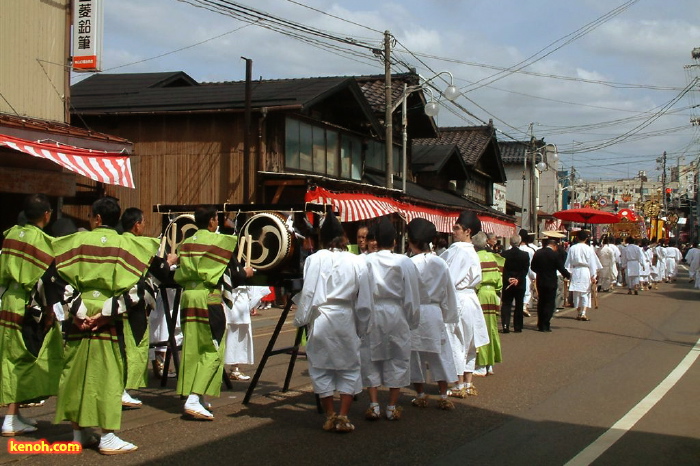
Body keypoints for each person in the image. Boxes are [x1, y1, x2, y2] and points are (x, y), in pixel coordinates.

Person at [53, 197, 159, 454]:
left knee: (75, 373)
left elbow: (58, 279)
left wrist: (78, 312)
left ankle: (79, 433)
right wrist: (107, 313)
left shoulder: (76, 241)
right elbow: (138, 288)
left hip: (81, 311)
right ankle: (107, 436)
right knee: (109, 374)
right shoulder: (130, 245)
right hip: (109, 313)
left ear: (97, 218)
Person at [293, 212, 372, 432]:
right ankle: (344, 415)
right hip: (346, 316)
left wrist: (301, 319)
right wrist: (363, 326)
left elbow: (308, 293)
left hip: (321, 316)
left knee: (321, 367)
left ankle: (330, 414)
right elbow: (364, 299)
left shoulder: (314, 259)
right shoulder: (356, 261)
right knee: (349, 366)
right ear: (343, 237)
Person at [174, 205, 254, 421]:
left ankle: (199, 397)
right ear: (211, 221)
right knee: (213, 348)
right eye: (216, 219)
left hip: (188, 296)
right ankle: (194, 397)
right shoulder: (221, 242)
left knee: (192, 348)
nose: (217, 222)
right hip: (208, 297)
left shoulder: (186, 243)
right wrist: (245, 273)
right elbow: (233, 276)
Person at [0, 194, 63, 437]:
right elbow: (48, 281)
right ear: (47, 214)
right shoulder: (45, 242)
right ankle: (10, 418)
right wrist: (50, 312)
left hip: (8, 300)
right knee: (23, 358)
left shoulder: (10, 234)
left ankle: (14, 415)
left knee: (8, 356)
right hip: (29, 304)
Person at [361, 216, 420, 421]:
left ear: (375, 240)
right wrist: (412, 320)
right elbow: (412, 295)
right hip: (397, 312)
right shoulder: (404, 261)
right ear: (395, 242)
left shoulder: (366, 260)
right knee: (398, 356)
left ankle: (374, 404)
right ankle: (392, 406)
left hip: (373, 311)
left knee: (371, 355)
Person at [119, 208, 177, 408]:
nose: (144, 226)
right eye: (143, 222)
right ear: (136, 225)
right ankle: (123, 389)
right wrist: (168, 262)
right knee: (133, 345)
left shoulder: (116, 242)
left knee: (116, 346)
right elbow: (159, 270)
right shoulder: (143, 245)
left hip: (112, 303)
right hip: (133, 302)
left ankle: (116, 388)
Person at [405, 218, 458, 411]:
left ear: (412, 242)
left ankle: (420, 393)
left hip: (416, 312)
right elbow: (448, 291)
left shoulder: (409, 264)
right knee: (440, 353)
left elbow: (406, 292)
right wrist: (449, 314)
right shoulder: (440, 263)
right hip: (434, 311)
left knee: (415, 354)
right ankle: (443, 394)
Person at [440, 211, 488, 397]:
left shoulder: (458, 249)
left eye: (457, 228)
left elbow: (448, 278)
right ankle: (468, 382)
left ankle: (458, 382)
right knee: (469, 341)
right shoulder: (471, 251)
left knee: (456, 340)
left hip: (457, 298)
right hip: (470, 299)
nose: (454, 231)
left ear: (468, 231)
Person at [472, 232, 503, 377]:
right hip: (493, 295)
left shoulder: (475, 257)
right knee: (492, 329)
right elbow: (499, 280)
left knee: (480, 329)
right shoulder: (493, 257)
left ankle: (482, 364)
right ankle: (490, 363)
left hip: (481, 294)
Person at [531, 236, 571, 332]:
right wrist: (568, 276)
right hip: (551, 281)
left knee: (541, 302)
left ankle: (540, 323)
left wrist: (539, 272)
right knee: (549, 303)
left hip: (540, 280)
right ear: (553, 245)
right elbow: (561, 268)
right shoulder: (554, 255)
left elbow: (532, 267)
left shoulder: (538, 253)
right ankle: (546, 324)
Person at [565, 230, 602, 322]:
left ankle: (578, 312)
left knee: (576, 292)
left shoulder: (572, 248)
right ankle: (583, 313)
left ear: (576, 238)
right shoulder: (589, 248)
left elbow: (568, 262)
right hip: (586, 271)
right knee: (585, 292)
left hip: (575, 271)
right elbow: (593, 263)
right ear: (586, 238)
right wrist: (594, 275)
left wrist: (568, 272)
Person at [500, 234, 530, 333]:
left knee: (506, 304)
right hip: (519, 283)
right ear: (520, 242)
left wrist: (508, 278)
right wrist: (518, 279)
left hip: (507, 282)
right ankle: (517, 326)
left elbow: (502, 269)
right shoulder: (524, 255)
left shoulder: (504, 254)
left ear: (510, 242)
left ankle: (505, 325)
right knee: (519, 304)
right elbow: (525, 270)